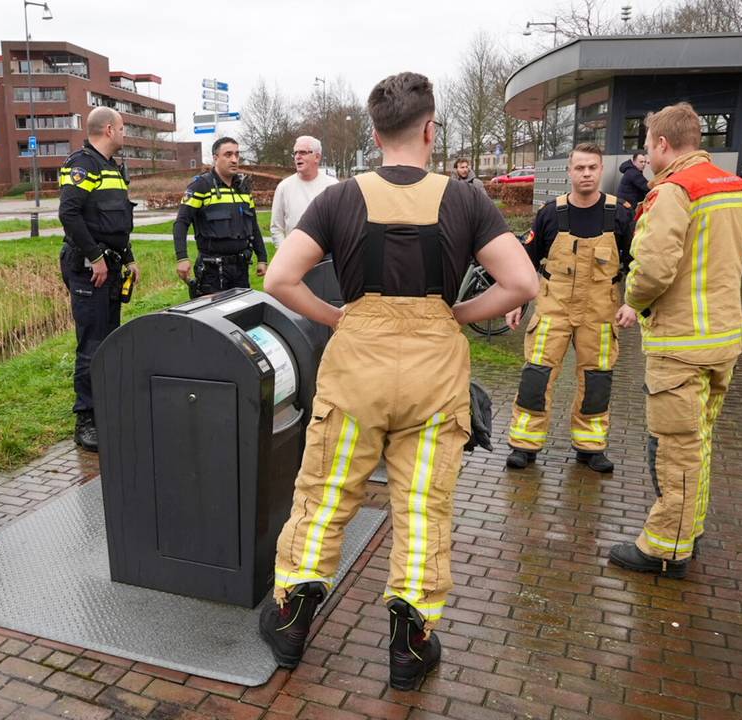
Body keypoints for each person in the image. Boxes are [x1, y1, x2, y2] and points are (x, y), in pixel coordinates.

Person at [257, 72, 538, 691]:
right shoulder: (467, 199)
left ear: (376, 134)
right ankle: (409, 649)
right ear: (431, 130)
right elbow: (522, 285)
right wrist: (455, 315)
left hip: (356, 367)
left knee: (327, 495)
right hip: (436, 376)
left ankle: (291, 624)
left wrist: (337, 316)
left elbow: (279, 279)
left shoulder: (340, 197)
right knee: (423, 506)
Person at [605, 102, 742, 578]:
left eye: (646, 145)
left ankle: (666, 547)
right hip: (723, 341)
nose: (645, 155)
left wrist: (633, 299)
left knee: (674, 448)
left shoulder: (674, 192)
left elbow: (654, 267)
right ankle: (689, 528)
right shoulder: (733, 185)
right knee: (698, 441)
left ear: (662, 144)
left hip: (681, 344)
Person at [505, 143, 635, 473]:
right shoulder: (550, 213)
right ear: (570, 172)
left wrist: (634, 304)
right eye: (580, 168)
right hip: (553, 309)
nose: (586, 173)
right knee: (536, 376)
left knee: (596, 380)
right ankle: (524, 444)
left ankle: (590, 447)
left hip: (600, 313)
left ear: (601, 169)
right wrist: (517, 303)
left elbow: (637, 264)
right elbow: (527, 263)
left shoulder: (619, 213)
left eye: (592, 167)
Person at [57, 107, 137, 452]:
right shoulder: (82, 165)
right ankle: (85, 419)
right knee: (91, 345)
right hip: (89, 270)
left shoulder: (112, 169)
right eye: (122, 128)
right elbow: (69, 214)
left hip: (111, 267)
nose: (124, 133)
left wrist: (129, 257)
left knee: (107, 341)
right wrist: (95, 257)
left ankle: (105, 407)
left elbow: (117, 221)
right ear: (108, 129)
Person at [173, 137, 268, 297]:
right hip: (212, 271)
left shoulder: (243, 189)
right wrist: (182, 257)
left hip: (240, 269)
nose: (234, 159)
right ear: (216, 158)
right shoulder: (201, 186)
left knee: (241, 316)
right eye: (228, 154)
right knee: (212, 319)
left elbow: (253, 225)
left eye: (237, 155)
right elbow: (181, 222)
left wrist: (262, 258)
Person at [270, 136, 338, 249]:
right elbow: (276, 227)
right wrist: (285, 254)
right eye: (295, 153)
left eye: (303, 152)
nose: (297, 157)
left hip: (326, 258)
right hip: (293, 258)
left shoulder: (333, 186)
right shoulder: (284, 187)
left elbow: (341, 226)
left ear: (317, 157)